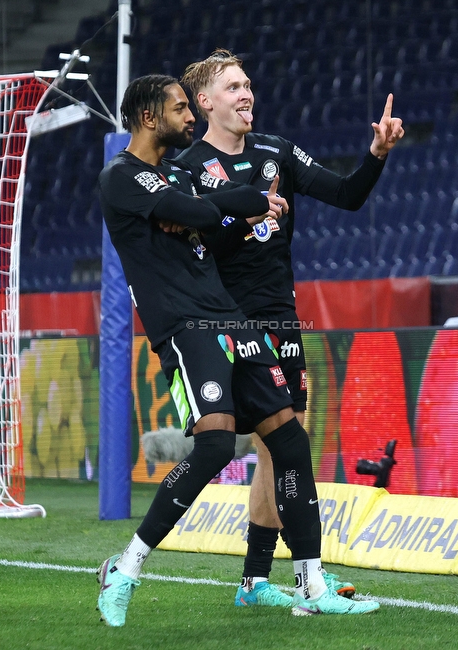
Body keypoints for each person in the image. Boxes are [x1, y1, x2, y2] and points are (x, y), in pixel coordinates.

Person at [95, 73, 378, 627]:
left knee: (290, 440)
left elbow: (206, 214)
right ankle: (124, 566)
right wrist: (249, 202)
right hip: (185, 326)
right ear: (150, 117)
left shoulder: (173, 179)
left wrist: (237, 209)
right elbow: (199, 212)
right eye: (181, 109)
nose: (189, 119)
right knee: (216, 446)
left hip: (232, 316)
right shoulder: (123, 177)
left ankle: (310, 583)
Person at [174, 49, 404, 608]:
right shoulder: (186, 171)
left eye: (248, 83)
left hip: (280, 320)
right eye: (233, 87)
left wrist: (376, 154)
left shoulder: (276, 151)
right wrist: (245, 214)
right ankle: (296, 581)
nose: (246, 93)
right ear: (205, 102)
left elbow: (347, 195)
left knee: (279, 449)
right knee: (245, 445)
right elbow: (192, 247)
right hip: (224, 323)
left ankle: (256, 581)